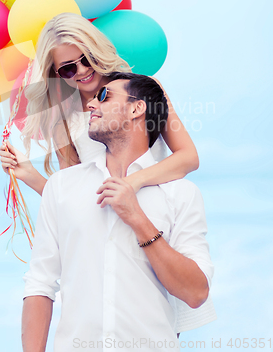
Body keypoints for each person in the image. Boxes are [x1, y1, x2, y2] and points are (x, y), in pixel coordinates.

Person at [0, 13, 216, 333]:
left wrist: (133, 182)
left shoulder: (142, 91)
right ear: (57, 74)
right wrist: (29, 175)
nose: (83, 71)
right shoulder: (63, 120)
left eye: (86, 58)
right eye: (69, 68)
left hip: (154, 219)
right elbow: (72, 199)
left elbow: (188, 157)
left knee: (157, 318)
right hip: (103, 226)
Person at [22, 73, 214, 352]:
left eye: (104, 96)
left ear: (137, 109)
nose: (91, 104)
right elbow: (40, 283)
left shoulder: (181, 195)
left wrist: (138, 219)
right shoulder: (62, 187)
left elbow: (196, 293)